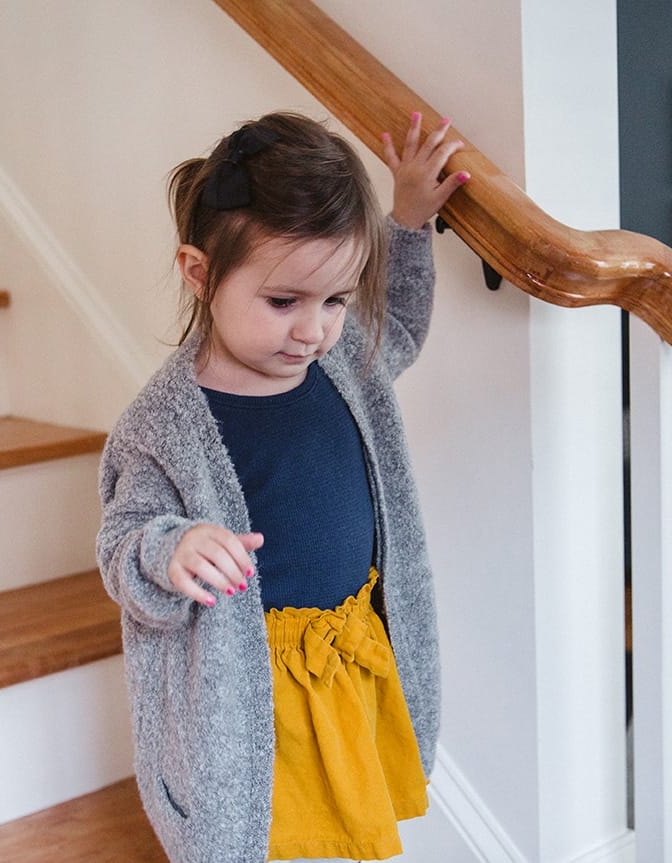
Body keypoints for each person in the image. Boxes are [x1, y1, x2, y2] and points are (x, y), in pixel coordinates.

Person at [97, 110, 468, 863]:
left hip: (350, 656)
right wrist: (173, 549)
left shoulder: (343, 364)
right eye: (284, 302)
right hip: (254, 692)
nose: (314, 330)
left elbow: (394, 321)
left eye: (334, 300)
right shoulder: (162, 424)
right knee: (273, 840)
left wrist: (406, 222)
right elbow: (121, 541)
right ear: (199, 273)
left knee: (347, 836)